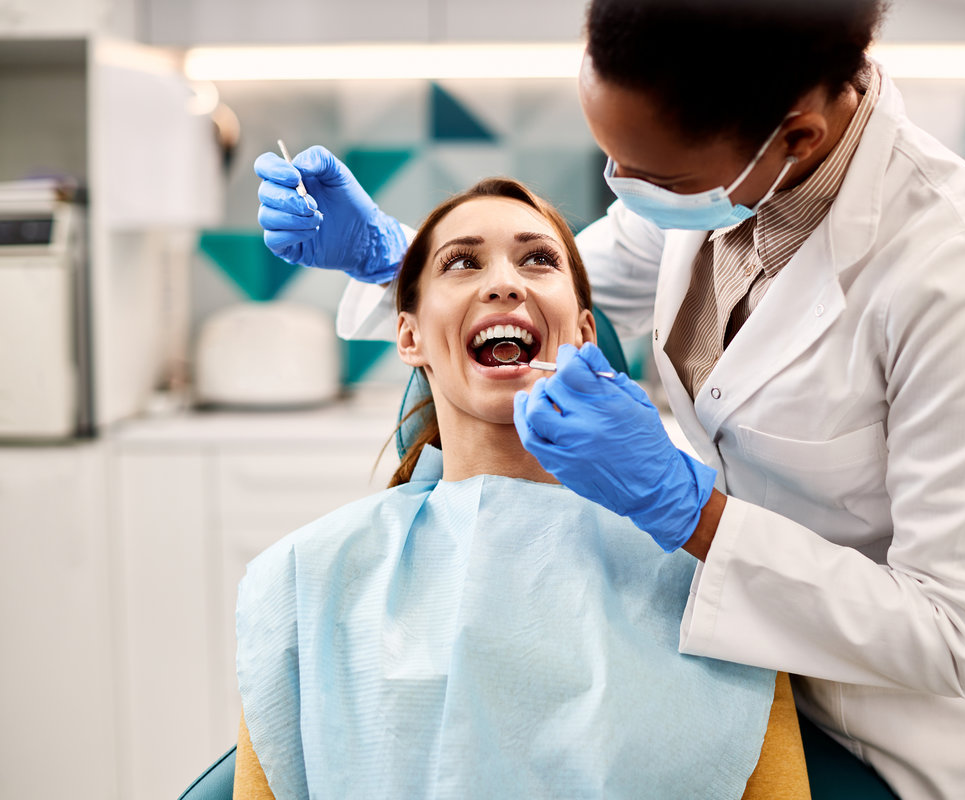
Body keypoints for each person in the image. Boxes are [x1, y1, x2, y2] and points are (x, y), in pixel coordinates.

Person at [254, 2, 965, 796]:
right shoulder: (715, 180)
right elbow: (554, 274)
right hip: (758, 670)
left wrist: (689, 510)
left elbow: (951, 633)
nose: (622, 186)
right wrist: (393, 256)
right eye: (614, 160)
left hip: (917, 738)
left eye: (649, 174)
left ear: (795, 138)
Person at [233, 177, 813, 799]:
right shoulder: (306, 578)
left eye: (538, 259)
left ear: (586, 333)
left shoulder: (710, 578)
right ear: (409, 337)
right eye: (462, 262)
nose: (505, 283)